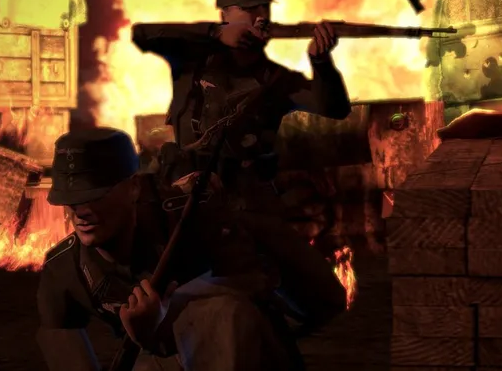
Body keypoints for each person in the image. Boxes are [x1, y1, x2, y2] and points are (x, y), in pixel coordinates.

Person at [35, 127, 347, 371]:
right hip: (166, 358)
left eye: (95, 195)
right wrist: (149, 338)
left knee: (224, 314)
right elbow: (65, 351)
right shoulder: (65, 271)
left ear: (134, 188)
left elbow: (314, 296)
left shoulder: (194, 223)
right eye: (70, 199)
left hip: (243, 351)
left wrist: (166, 323)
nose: (80, 211)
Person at [130, 0, 352, 191]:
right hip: (186, 192)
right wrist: (215, 33)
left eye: (265, 7)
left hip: (244, 195)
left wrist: (321, 62)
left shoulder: (277, 78)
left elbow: (335, 109)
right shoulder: (191, 60)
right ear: (224, 16)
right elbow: (141, 34)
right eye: (249, 8)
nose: (261, 16)